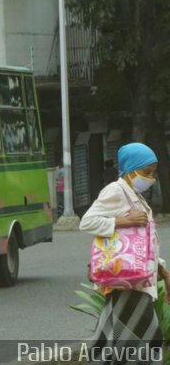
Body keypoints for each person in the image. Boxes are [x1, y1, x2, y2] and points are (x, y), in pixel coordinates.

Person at [80, 142, 170, 355]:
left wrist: (163, 271)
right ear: (130, 169)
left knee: (126, 338)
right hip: (126, 280)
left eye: (153, 173)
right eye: (146, 172)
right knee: (144, 338)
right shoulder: (116, 190)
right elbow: (87, 222)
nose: (150, 178)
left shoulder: (135, 195)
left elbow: (142, 244)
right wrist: (122, 221)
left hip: (134, 279)